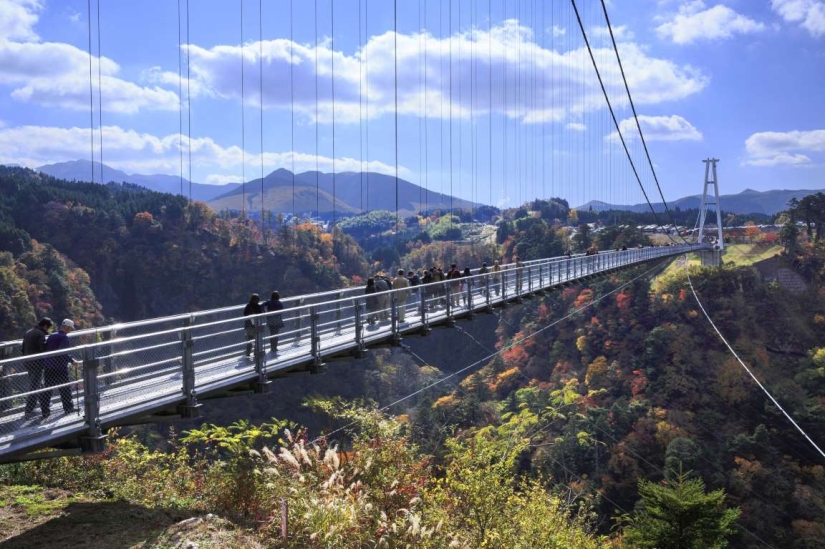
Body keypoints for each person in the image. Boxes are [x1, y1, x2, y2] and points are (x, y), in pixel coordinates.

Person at [43, 319, 79, 417]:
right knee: (65, 388)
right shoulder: (64, 338)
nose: (70, 331)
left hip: (48, 366)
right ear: (67, 327)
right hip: (60, 367)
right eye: (70, 328)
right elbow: (62, 353)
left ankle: (45, 410)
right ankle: (68, 408)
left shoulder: (52, 335)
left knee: (48, 388)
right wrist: (72, 361)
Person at [21, 318, 52, 417]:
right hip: (37, 363)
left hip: (28, 362)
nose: (48, 330)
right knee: (35, 386)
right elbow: (42, 349)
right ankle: (29, 410)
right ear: (46, 326)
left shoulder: (28, 332)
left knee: (37, 384)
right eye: (48, 328)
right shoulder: (40, 334)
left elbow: (23, 348)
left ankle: (44, 405)